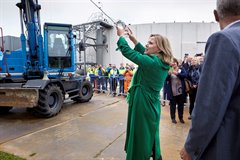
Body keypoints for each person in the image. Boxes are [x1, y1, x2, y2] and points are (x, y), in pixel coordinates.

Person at [180, 0, 240, 159]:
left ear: (216, 15)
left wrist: (191, 147)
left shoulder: (224, 39)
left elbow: (210, 104)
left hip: (226, 146)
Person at [116, 27, 173, 160]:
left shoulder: (151, 62)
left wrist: (121, 37)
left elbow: (129, 53)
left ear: (159, 48)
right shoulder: (159, 61)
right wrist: (133, 39)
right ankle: (153, 154)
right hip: (150, 103)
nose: (147, 44)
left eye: (151, 43)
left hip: (143, 102)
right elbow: (144, 53)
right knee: (148, 133)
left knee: (140, 134)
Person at [166, 58, 187, 124]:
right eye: (173, 62)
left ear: (177, 63)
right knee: (173, 106)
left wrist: (177, 73)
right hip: (172, 91)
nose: (174, 63)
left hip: (181, 91)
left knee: (181, 106)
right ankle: (173, 118)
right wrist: (168, 75)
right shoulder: (169, 69)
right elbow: (166, 79)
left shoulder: (181, 69)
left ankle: (181, 118)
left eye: (175, 62)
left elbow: (185, 75)